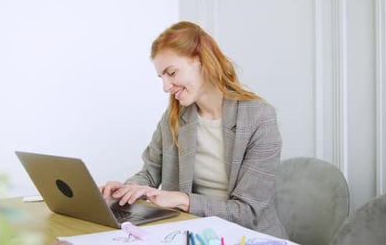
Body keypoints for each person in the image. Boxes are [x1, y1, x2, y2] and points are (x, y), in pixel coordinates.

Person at [101, 21, 287, 239]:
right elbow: (150, 172)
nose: (166, 87)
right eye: (162, 77)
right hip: (193, 232)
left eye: (172, 73)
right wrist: (125, 190)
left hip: (248, 236)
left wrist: (182, 199)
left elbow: (247, 212)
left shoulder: (259, 118)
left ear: (201, 61)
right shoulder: (175, 117)